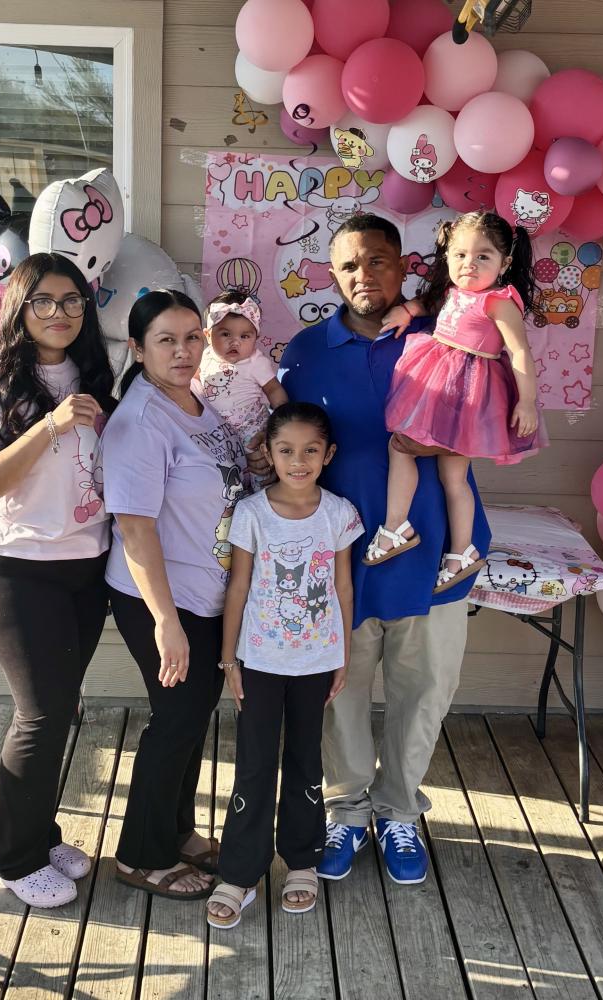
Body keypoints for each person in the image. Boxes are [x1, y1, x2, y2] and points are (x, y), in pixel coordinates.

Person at [279, 214, 491, 886]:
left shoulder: (448, 334)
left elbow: (495, 417)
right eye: (349, 265)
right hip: (338, 561)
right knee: (337, 692)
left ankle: (399, 811)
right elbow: (283, 444)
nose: (363, 275)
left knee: (423, 691)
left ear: (403, 266)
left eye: (376, 261)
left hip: (436, 552)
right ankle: (346, 811)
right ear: (333, 276)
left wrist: (450, 439)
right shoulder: (305, 352)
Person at [0, 252, 115, 908]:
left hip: (87, 563)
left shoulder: (96, 373)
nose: (59, 312)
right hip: (14, 564)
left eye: (72, 300)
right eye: (42, 300)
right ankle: (14, 857)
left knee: (60, 707)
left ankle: (41, 836)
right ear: (19, 308)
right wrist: (49, 425)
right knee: (41, 712)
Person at [101, 289, 249, 901]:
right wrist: (166, 622)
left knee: (191, 719)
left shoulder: (193, 401)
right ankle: (141, 855)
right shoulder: (141, 421)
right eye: (167, 340)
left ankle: (178, 832)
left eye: (193, 337)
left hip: (204, 593)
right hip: (162, 599)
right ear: (138, 349)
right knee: (176, 720)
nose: (184, 351)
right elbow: (135, 528)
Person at [206, 402, 361, 928]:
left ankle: (302, 861)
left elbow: (342, 588)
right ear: (269, 454)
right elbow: (238, 587)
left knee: (305, 761)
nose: (299, 461)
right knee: (254, 765)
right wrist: (229, 658)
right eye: (287, 450)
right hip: (260, 662)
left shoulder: (339, 513)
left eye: (310, 450)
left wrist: (341, 655)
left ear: (328, 455)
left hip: (316, 661)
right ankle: (240, 873)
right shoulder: (252, 513)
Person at [364, 210, 545, 592]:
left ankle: (398, 526)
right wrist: (407, 310)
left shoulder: (498, 301)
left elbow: (519, 352)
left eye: (483, 256)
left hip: (468, 395)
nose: (469, 264)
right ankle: (461, 551)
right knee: (450, 475)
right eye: (460, 255)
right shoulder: (453, 292)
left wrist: (527, 401)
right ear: (447, 256)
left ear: (504, 263)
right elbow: (429, 303)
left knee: (405, 450)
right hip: (439, 388)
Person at [198, 290, 287, 472]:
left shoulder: (255, 361)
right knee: (226, 471)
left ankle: (262, 489)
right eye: (225, 334)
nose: (235, 342)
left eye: (244, 336)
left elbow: (273, 389)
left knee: (260, 466)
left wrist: (282, 418)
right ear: (207, 335)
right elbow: (193, 384)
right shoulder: (204, 357)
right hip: (217, 429)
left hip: (251, 427)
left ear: (256, 338)